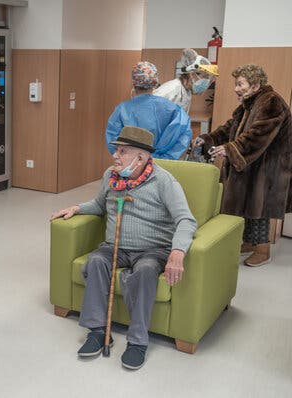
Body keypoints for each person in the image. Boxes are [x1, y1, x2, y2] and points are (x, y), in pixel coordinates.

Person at [51, 126, 197, 370]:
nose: (114, 156)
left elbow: (186, 219)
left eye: (122, 151)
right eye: (116, 150)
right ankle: (98, 332)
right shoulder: (111, 175)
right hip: (115, 246)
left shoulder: (163, 181)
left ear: (141, 157)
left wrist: (178, 251)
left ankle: (138, 341)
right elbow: (99, 204)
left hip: (152, 249)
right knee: (96, 261)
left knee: (146, 270)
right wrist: (77, 207)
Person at [195, 64, 292, 267]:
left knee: (260, 205)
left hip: (269, 166)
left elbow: (258, 134)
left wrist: (230, 149)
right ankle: (248, 243)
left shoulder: (271, 101)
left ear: (255, 85)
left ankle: (263, 250)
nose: (236, 88)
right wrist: (208, 139)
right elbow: (231, 128)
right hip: (254, 163)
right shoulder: (249, 103)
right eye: (236, 84)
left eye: (240, 84)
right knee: (248, 202)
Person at [105, 61, 192, 160]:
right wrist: (163, 158)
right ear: (155, 82)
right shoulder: (174, 110)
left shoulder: (122, 109)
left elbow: (113, 139)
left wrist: (132, 158)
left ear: (134, 83)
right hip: (162, 165)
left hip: (131, 165)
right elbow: (183, 136)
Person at [153, 48, 219, 113]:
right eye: (205, 77)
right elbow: (148, 109)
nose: (206, 81)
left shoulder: (187, 91)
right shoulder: (171, 89)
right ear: (192, 74)